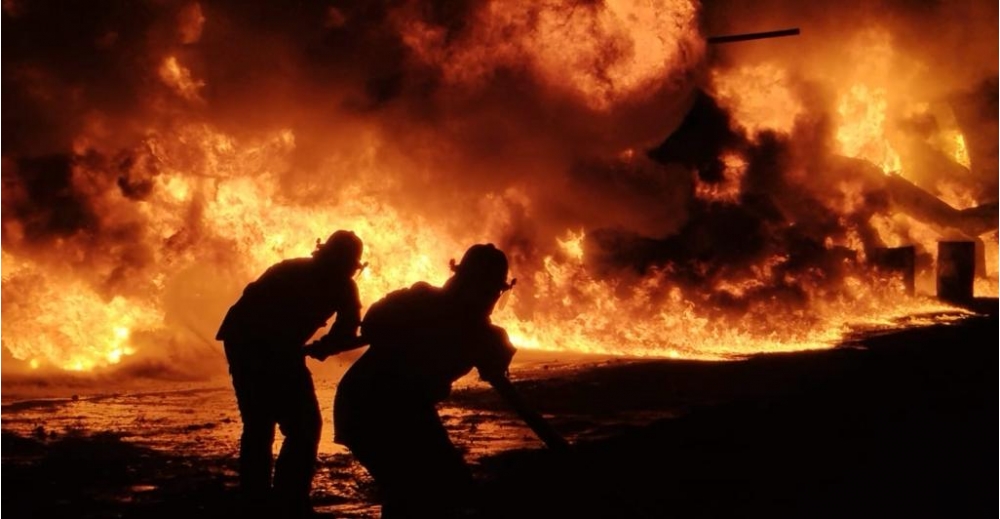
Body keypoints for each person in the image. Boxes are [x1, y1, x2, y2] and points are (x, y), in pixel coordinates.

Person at [333, 243, 521, 518]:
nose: (492, 297)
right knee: (413, 489)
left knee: (437, 487)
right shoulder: (420, 302)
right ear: (469, 283)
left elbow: (503, 387)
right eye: (490, 289)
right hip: (368, 407)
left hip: (399, 409)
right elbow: (373, 326)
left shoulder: (476, 332)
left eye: (496, 291)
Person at [216, 230, 365, 517]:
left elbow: (346, 329)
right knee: (281, 425)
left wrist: (325, 346)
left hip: (267, 347)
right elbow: (255, 316)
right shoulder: (295, 274)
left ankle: (273, 499)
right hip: (250, 344)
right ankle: (275, 501)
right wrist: (321, 347)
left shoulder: (334, 284)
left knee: (279, 426)